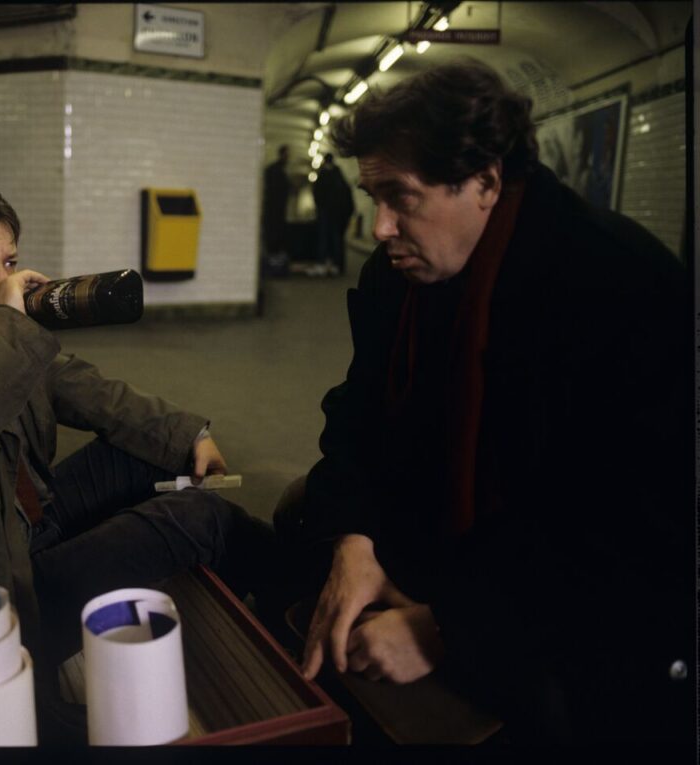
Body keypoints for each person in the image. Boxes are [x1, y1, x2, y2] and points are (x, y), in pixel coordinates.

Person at [278, 61, 692, 746]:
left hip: (565, 590)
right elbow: (359, 414)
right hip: (451, 533)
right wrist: (355, 540)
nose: (379, 227)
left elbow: (633, 533)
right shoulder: (397, 276)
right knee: (301, 516)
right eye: (371, 195)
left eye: (400, 197)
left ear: (487, 182)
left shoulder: (620, 287)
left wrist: (445, 629)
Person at [0, 180, 275, 738]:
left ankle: (244, 608)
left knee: (155, 455)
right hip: (3, 589)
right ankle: (292, 604)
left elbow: (77, 383)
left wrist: (187, 434)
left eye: (8, 261)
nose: (0, 282)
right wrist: (9, 325)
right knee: (200, 517)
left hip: (27, 522)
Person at [312, 153, 355, 276]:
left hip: (326, 214)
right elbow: (347, 195)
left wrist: (319, 209)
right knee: (337, 239)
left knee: (324, 238)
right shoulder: (339, 176)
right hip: (338, 215)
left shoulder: (322, 175)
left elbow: (317, 194)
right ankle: (337, 265)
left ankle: (323, 263)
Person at [261, 144, 292, 274]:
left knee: (273, 238)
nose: (289, 157)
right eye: (287, 154)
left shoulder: (273, 170)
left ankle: (273, 264)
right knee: (274, 238)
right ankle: (274, 266)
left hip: (273, 211)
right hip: (275, 212)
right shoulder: (277, 171)